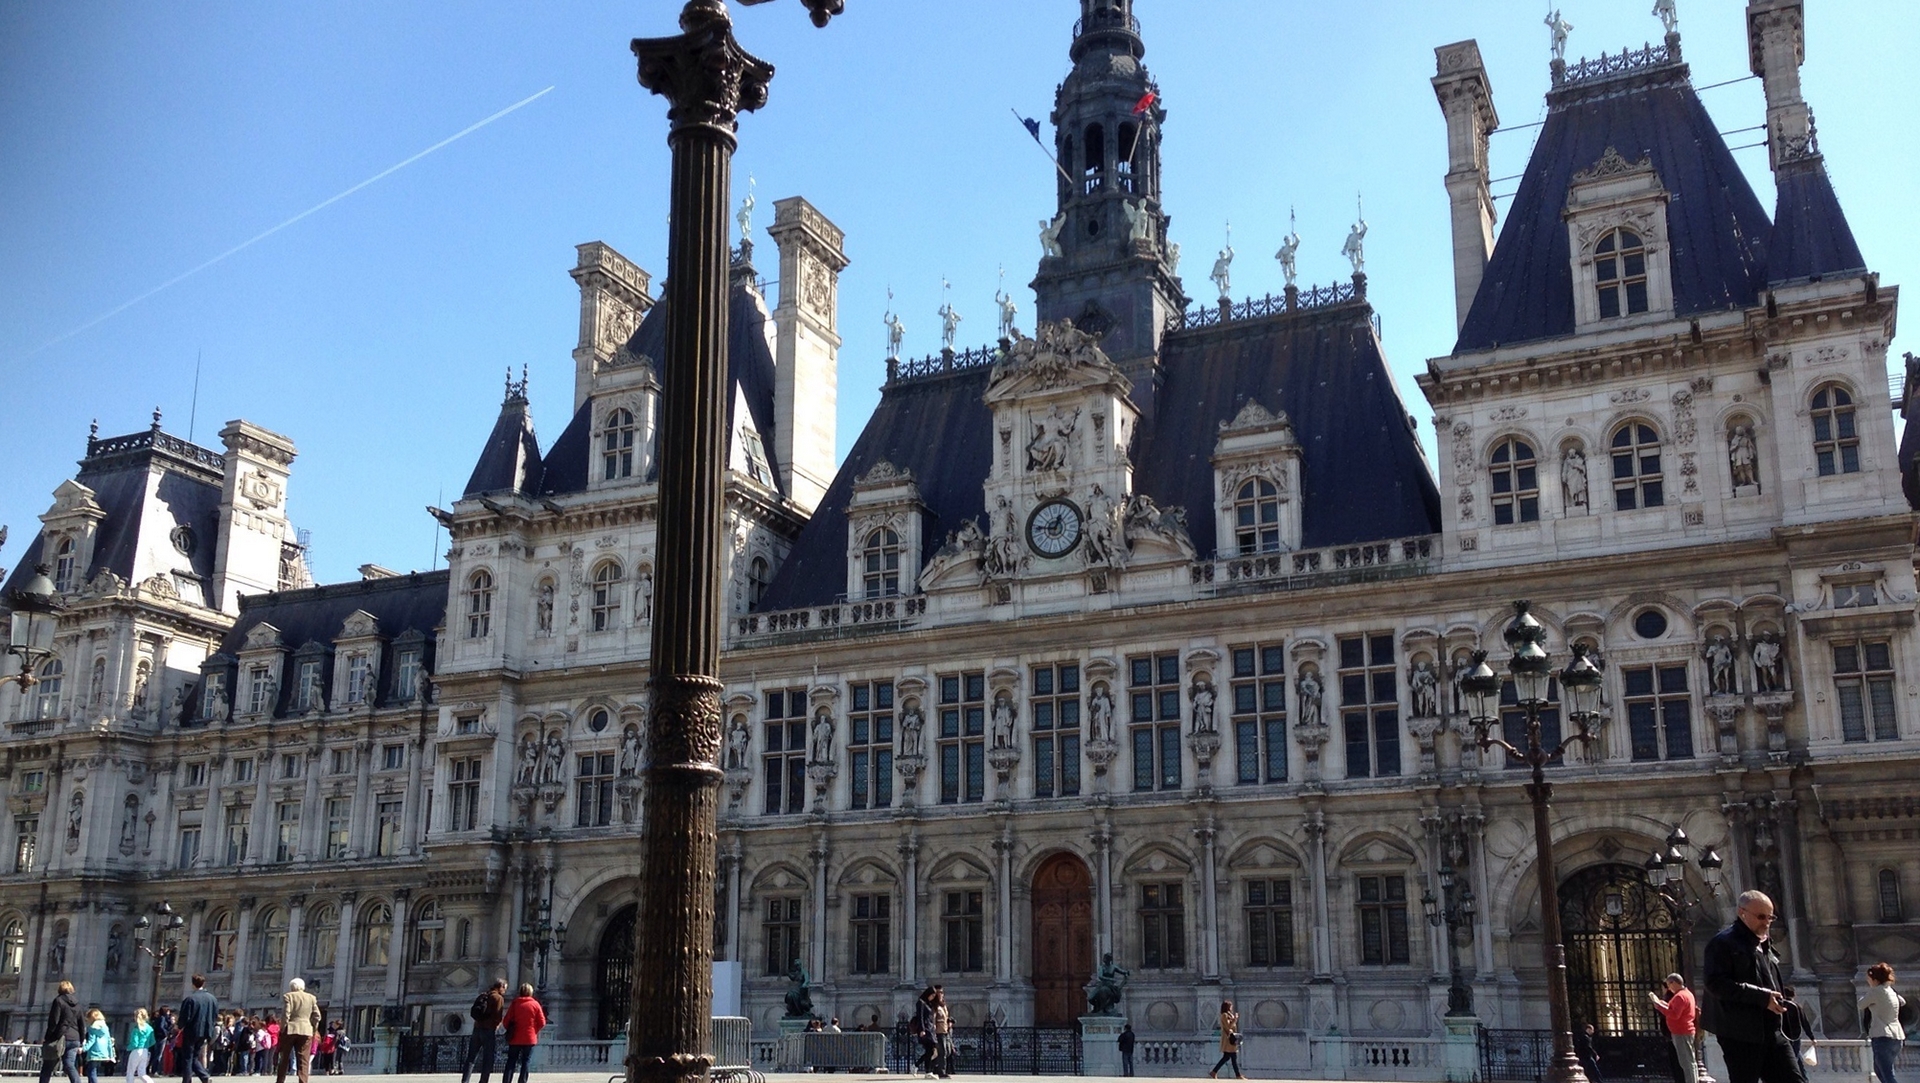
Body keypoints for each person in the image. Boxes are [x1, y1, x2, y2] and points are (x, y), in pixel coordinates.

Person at [1703, 889, 1803, 1083]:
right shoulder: (1722, 943)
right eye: (1761, 916)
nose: (1766, 922)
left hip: (1773, 1030)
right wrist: (1762, 997)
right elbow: (1715, 983)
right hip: (1740, 1033)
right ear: (1742, 912)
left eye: (1770, 917)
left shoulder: (1764, 943)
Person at [1859, 962, 1906, 1083]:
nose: (1868, 981)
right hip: (1897, 1036)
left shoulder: (1876, 991)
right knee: (1881, 1070)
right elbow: (1902, 1001)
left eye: (1869, 979)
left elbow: (1861, 1005)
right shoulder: (1890, 990)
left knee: (1886, 1074)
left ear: (1874, 979)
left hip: (1882, 1036)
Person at [1651, 973, 1700, 1083]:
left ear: (1674, 983)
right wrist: (1663, 1004)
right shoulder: (1686, 994)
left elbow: (1674, 1014)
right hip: (1683, 1031)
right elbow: (1674, 1009)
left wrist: (1659, 1007)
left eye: (1669, 985)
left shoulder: (1680, 996)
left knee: (1686, 1062)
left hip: (1681, 1032)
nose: (1668, 988)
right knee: (1689, 1061)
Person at [462, 979, 507, 1083]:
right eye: (504, 988)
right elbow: (498, 1016)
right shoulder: (498, 998)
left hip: (477, 1028)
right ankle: (483, 1081)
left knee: (471, 1057)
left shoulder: (483, 995)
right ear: (500, 987)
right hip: (488, 1029)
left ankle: (465, 1080)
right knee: (488, 1058)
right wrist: (496, 1025)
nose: (505, 990)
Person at [499, 984, 546, 1083]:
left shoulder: (515, 1003)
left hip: (515, 1038)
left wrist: (510, 1029)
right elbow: (542, 1022)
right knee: (526, 1062)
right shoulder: (535, 1004)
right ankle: (522, 1081)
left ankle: (507, 1081)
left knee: (511, 1061)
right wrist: (534, 1031)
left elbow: (506, 1020)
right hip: (529, 1038)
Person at [177, 975, 218, 1083]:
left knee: (187, 1057)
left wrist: (179, 1026)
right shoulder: (212, 999)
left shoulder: (190, 999)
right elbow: (215, 1015)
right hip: (205, 1031)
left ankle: (187, 1080)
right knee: (194, 1056)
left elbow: (185, 1016)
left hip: (192, 1030)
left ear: (193, 984)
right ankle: (204, 1076)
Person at [41, 980, 83, 1083]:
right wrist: (81, 1040)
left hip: (60, 1037)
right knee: (69, 1064)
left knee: (48, 1065)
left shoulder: (58, 1001)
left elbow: (54, 1021)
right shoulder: (78, 1004)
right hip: (75, 1038)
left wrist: (48, 1037)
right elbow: (81, 1023)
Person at [276, 980, 319, 1083]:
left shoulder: (288, 996)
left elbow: (286, 1013)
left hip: (291, 1029)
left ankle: (280, 1080)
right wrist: (313, 1028)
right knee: (304, 1059)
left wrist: (283, 1028)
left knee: (284, 1057)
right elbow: (317, 1016)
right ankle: (303, 1081)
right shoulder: (311, 998)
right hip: (306, 1030)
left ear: (292, 987)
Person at [1209, 1000, 1244, 1080]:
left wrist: (1234, 1019)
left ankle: (1214, 1072)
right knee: (1232, 1057)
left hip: (1231, 1038)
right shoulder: (1224, 1015)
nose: (1232, 1008)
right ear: (1227, 1007)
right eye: (1230, 1006)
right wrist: (1234, 1020)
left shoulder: (1228, 1015)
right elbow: (1228, 1026)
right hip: (1228, 1039)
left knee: (1228, 1057)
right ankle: (1238, 1075)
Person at [80, 1010, 114, 1083]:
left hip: (94, 1052)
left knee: (91, 1071)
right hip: (103, 1052)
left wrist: (83, 1049)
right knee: (93, 1070)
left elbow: (91, 1041)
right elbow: (109, 1041)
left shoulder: (93, 1028)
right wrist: (110, 1055)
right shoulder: (105, 1027)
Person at [125, 1009, 156, 1083]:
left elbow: (134, 1042)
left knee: (130, 1071)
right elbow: (153, 1041)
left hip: (136, 1050)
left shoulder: (136, 1028)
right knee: (142, 1073)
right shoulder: (149, 1028)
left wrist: (129, 1048)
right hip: (145, 1050)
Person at [930, 991, 952, 1080]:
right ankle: (941, 1072)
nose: (942, 996)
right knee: (942, 1052)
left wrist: (949, 1022)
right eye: (940, 995)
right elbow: (933, 1019)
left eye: (942, 995)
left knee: (948, 1051)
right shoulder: (935, 1007)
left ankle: (934, 1066)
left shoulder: (943, 1006)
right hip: (939, 1032)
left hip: (945, 1031)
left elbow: (945, 1017)